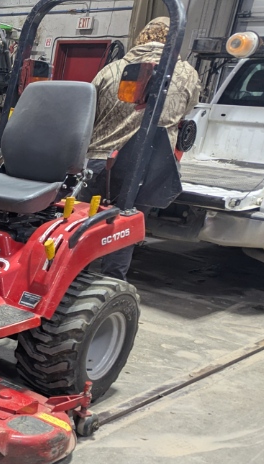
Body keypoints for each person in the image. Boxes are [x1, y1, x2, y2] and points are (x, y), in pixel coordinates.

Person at [85, 17, 200, 279]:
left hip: (100, 161)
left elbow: (87, 114)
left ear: (142, 37)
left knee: (84, 226)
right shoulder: (187, 75)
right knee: (123, 229)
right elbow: (187, 108)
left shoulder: (112, 70)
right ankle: (112, 285)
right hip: (150, 167)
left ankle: (71, 283)